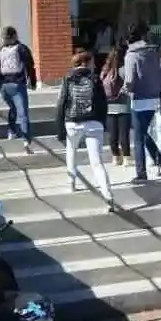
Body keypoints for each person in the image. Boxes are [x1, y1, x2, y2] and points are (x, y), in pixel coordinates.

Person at [54, 50, 113, 208]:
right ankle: (107, 194)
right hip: (93, 122)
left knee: (71, 151)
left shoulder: (68, 78)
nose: (94, 65)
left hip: (72, 122)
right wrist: (102, 123)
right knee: (97, 162)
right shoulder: (95, 79)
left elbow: (61, 103)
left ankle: (71, 182)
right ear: (86, 62)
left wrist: (59, 128)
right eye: (92, 62)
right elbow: (102, 103)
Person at [122, 22, 161, 182]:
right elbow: (160, 74)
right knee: (142, 133)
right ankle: (160, 160)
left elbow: (130, 80)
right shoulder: (153, 52)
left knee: (138, 136)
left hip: (139, 98)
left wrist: (124, 90)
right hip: (154, 96)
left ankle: (141, 172)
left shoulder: (131, 55)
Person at [0, 26, 37, 152]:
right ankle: (26, 142)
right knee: (23, 113)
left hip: (4, 85)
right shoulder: (21, 48)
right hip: (17, 84)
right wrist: (33, 82)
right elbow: (30, 65)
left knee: (13, 108)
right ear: (15, 36)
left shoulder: (1, 50)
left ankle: (11, 131)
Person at [100, 45, 131, 166]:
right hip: (124, 106)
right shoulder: (124, 69)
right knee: (124, 135)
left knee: (112, 136)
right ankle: (127, 158)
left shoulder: (105, 70)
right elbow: (128, 84)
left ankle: (115, 156)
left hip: (109, 107)